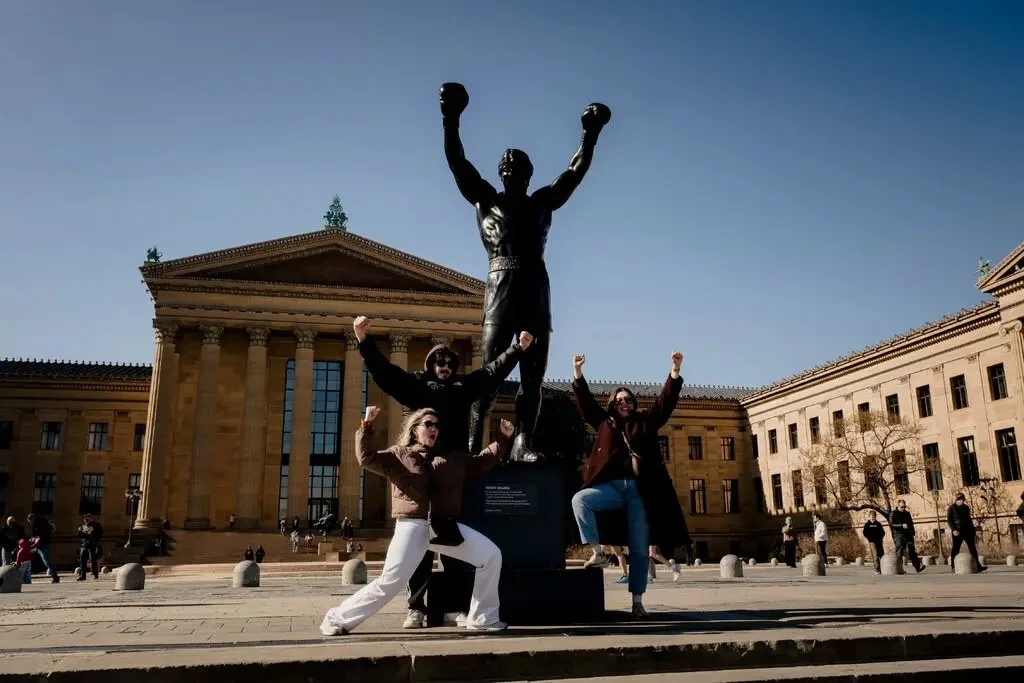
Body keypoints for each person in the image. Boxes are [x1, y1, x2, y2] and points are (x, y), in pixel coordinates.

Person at [438, 81, 611, 462]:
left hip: (535, 289)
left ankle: (522, 443)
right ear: (500, 172)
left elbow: (574, 172)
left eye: (520, 167)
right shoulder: (485, 198)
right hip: (500, 287)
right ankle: (471, 445)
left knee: (532, 377)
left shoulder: (543, 202)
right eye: (507, 166)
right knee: (488, 375)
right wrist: (450, 119)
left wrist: (590, 134)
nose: (513, 170)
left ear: (530, 175)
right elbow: (457, 162)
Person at [352, 315, 532, 629]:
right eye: (439, 362)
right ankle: (416, 609)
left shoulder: (462, 388)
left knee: (452, 546)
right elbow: (386, 373)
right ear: (430, 365)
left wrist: (517, 349)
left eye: (449, 362)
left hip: (450, 469)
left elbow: (491, 374)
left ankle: (453, 608)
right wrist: (364, 341)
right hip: (420, 471)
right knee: (417, 549)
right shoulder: (416, 385)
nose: (445, 366)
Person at [320, 406, 512, 636]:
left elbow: (480, 462)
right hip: (412, 526)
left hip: (442, 526)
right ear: (414, 430)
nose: (434, 429)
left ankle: (482, 618)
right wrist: (366, 426)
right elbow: (366, 458)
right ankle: (336, 618)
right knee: (390, 582)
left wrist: (502, 439)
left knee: (490, 555)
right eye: (429, 424)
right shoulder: (399, 454)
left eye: (437, 426)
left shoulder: (449, 458)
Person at [569, 351, 686, 619]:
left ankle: (637, 603)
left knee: (638, 549)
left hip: (638, 492)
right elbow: (585, 403)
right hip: (610, 489)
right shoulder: (603, 422)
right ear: (612, 403)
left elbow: (665, 403)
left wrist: (674, 370)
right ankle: (597, 551)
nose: (624, 403)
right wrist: (577, 373)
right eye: (619, 400)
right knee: (580, 500)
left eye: (628, 400)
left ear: (633, 403)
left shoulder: (645, 422)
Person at [947, 493, 987, 572]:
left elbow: (969, 519)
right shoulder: (952, 508)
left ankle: (977, 565)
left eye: (962, 500)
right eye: (959, 500)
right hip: (957, 531)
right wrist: (954, 529)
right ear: (956, 500)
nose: (961, 502)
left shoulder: (966, 508)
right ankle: (953, 566)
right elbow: (949, 520)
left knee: (972, 549)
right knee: (955, 549)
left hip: (967, 531)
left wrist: (973, 530)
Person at [890, 499, 924, 573]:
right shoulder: (893, 513)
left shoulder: (907, 513)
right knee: (899, 552)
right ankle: (899, 569)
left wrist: (913, 531)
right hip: (898, 535)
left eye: (904, 507)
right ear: (898, 506)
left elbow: (911, 523)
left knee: (911, 550)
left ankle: (918, 567)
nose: (903, 508)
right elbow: (892, 524)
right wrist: (901, 525)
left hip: (908, 534)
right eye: (902, 507)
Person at [26, 514, 59, 583]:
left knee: (47, 561)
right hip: (40, 545)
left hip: (42, 545)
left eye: (29, 520)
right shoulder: (41, 523)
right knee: (28, 556)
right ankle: (25, 576)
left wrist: (34, 538)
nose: (29, 522)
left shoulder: (38, 524)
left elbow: (40, 535)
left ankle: (55, 576)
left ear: (31, 518)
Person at [77, 514, 103, 580]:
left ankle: (95, 573)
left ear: (91, 518)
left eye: (87, 519)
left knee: (92, 560)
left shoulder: (96, 525)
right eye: (85, 519)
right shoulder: (83, 526)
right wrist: (79, 532)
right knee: (82, 560)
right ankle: (82, 575)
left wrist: (96, 541)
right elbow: (80, 536)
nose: (86, 521)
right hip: (84, 545)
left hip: (92, 545)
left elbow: (99, 534)